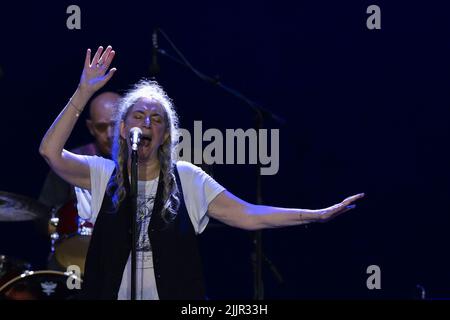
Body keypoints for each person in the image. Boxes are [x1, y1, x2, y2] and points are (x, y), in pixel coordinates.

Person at [39, 45, 365, 300]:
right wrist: (83, 92)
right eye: (137, 116)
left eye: (156, 118)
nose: (146, 123)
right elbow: (49, 151)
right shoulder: (102, 173)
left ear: (166, 134)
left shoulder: (188, 179)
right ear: (123, 129)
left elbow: (249, 214)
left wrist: (313, 215)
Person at [39, 91, 121, 211]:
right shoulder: (77, 160)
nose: (110, 134)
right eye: (101, 127)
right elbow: (44, 213)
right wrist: (84, 89)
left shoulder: (139, 161)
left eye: (115, 124)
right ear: (90, 127)